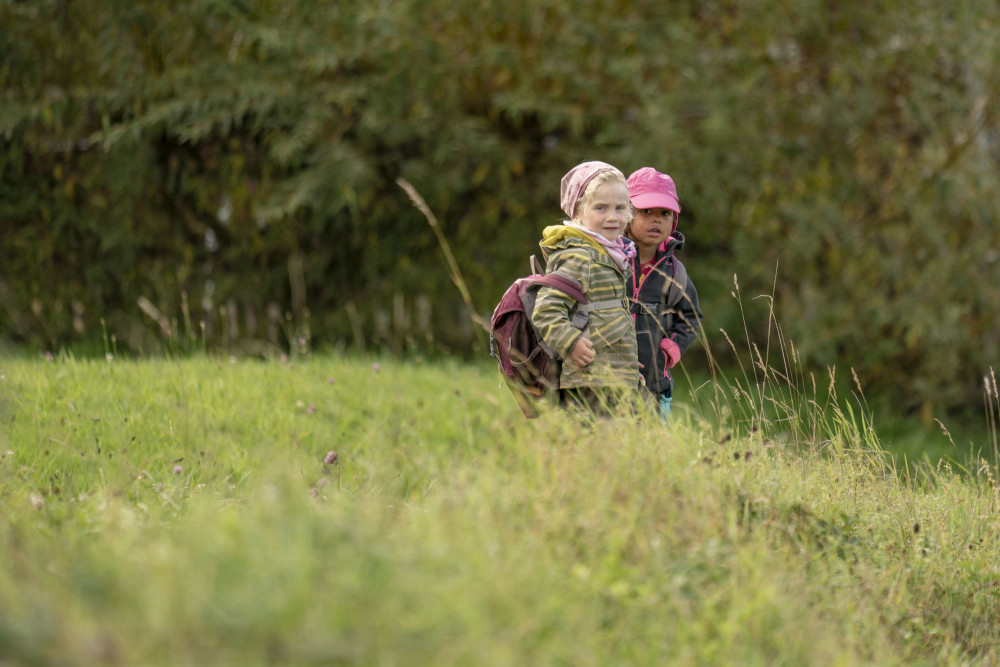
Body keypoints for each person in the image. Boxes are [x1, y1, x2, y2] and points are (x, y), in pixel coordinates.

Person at [531, 161, 643, 415]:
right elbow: (546, 310)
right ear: (578, 212)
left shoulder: (611, 253)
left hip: (612, 375)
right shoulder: (579, 256)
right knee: (596, 446)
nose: (613, 217)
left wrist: (625, 360)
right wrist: (570, 342)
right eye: (601, 208)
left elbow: (605, 319)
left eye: (620, 208)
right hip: (588, 380)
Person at [624, 167, 703, 420]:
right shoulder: (609, 262)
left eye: (664, 213)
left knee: (650, 453)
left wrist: (672, 348)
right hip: (607, 381)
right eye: (646, 211)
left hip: (654, 385)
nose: (656, 220)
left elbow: (691, 316)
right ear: (626, 214)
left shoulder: (674, 272)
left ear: (674, 221)